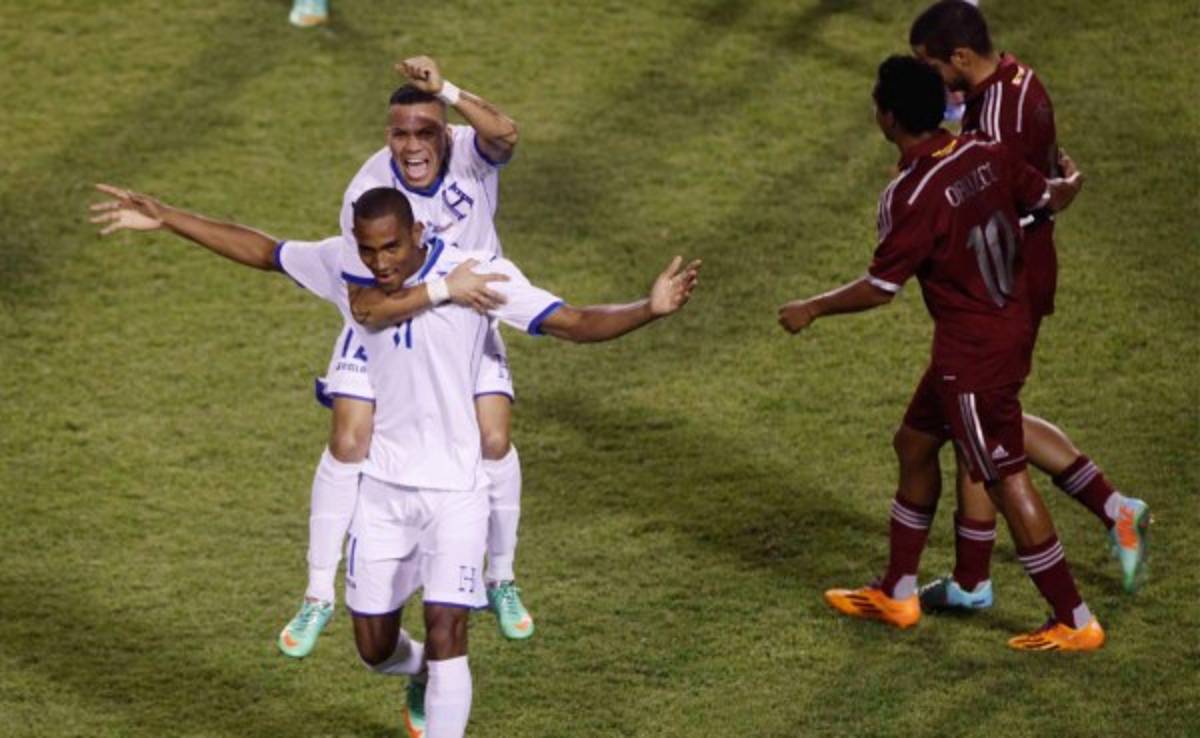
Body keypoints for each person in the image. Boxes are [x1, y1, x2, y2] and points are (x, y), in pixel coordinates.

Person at [90, 183, 701, 736]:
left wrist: (646, 310)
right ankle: (416, 675)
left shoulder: (478, 275)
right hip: (382, 497)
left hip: (456, 495)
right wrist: (168, 217)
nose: (379, 263)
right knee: (375, 648)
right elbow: (267, 251)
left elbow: (571, 321)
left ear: (416, 234)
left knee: (448, 630)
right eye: (368, 249)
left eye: (389, 248)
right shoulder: (352, 269)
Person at [778, 56, 1102, 651]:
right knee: (915, 443)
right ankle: (897, 591)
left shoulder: (909, 194)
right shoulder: (986, 150)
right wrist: (1071, 187)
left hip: (973, 353)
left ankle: (1074, 620)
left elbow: (881, 288)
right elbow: (1045, 199)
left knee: (1004, 478)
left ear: (889, 118)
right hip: (1005, 325)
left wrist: (812, 307)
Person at [279, 55, 534, 660]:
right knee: (348, 442)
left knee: (493, 440)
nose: (413, 145)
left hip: (467, 322)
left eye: (426, 131)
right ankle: (318, 592)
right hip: (386, 324)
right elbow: (364, 299)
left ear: (446, 132)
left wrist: (446, 89)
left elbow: (507, 134)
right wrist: (440, 289)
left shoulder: (470, 147)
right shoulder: (366, 193)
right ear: (386, 136)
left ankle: (501, 577)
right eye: (400, 133)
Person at [909, 0, 1149, 610]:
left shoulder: (992, 123)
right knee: (987, 420)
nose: (931, 80)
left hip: (1003, 285)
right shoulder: (1023, 78)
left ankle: (982, 582)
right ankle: (983, 574)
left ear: (960, 58)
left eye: (932, 66)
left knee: (983, 429)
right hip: (1023, 272)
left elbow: (1000, 205)